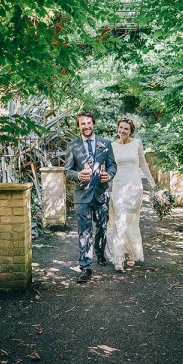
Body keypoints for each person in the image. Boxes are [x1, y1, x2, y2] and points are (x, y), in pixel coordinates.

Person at [65, 111, 117, 282]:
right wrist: (78, 175)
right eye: (82, 124)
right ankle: (85, 266)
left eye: (88, 123)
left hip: (101, 193)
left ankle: (100, 253)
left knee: (102, 227)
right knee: (84, 231)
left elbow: (112, 166)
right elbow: (67, 171)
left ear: (93, 124)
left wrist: (108, 176)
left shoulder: (105, 143)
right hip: (82, 195)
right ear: (78, 126)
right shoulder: (73, 145)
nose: (86, 126)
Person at [105, 117, 156, 272]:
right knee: (120, 220)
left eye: (126, 128)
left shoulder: (137, 143)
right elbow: (109, 167)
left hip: (134, 187)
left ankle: (131, 254)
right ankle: (118, 259)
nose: (122, 131)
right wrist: (106, 185)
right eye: (120, 127)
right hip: (119, 187)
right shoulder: (112, 145)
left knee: (131, 222)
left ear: (131, 131)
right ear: (117, 128)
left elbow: (143, 163)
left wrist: (153, 183)